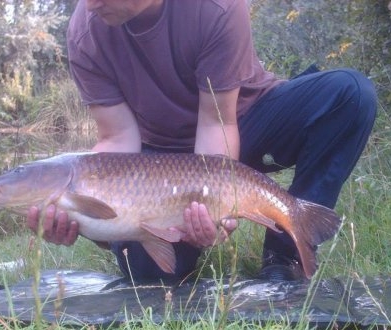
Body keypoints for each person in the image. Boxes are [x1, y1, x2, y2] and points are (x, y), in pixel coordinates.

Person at [27, 0, 377, 282]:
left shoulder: (216, 6)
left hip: (244, 120)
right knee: (150, 275)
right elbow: (117, 138)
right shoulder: (85, 31)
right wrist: (83, 215)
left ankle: (284, 255)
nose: (89, 5)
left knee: (350, 95)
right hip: (159, 163)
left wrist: (218, 204)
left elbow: (217, 122)